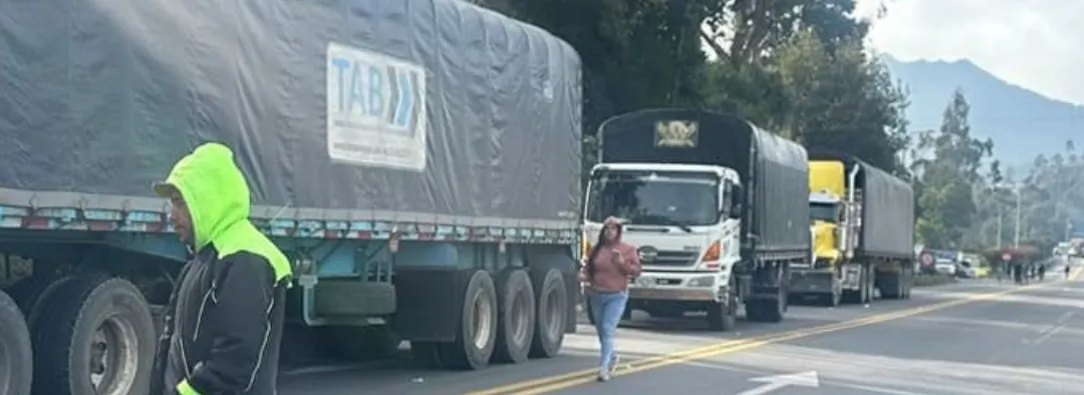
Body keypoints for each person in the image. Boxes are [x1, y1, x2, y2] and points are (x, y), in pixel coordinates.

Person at [151, 143, 292, 395]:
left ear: (206, 198)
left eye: (179, 202)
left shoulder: (246, 259)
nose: (171, 214)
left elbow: (235, 360)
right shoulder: (204, 259)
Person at [580, 216, 641, 382]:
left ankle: (603, 367)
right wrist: (584, 276)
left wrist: (621, 263)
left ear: (619, 232)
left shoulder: (627, 250)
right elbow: (588, 267)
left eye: (613, 229)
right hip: (597, 294)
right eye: (607, 229)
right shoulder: (597, 249)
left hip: (616, 295)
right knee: (601, 330)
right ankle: (612, 357)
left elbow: (636, 271)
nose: (610, 232)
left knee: (608, 328)